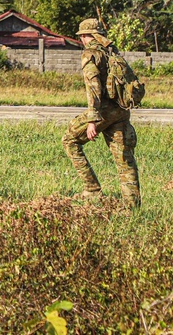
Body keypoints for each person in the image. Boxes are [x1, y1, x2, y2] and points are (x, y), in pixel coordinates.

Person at [61, 18, 141, 208]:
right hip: (121, 110)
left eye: (82, 37)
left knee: (69, 141)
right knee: (125, 160)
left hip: (104, 111)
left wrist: (92, 120)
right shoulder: (111, 51)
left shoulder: (91, 54)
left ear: (85, 37)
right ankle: (132, 208)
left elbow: (93, 88)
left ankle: (92, 190)